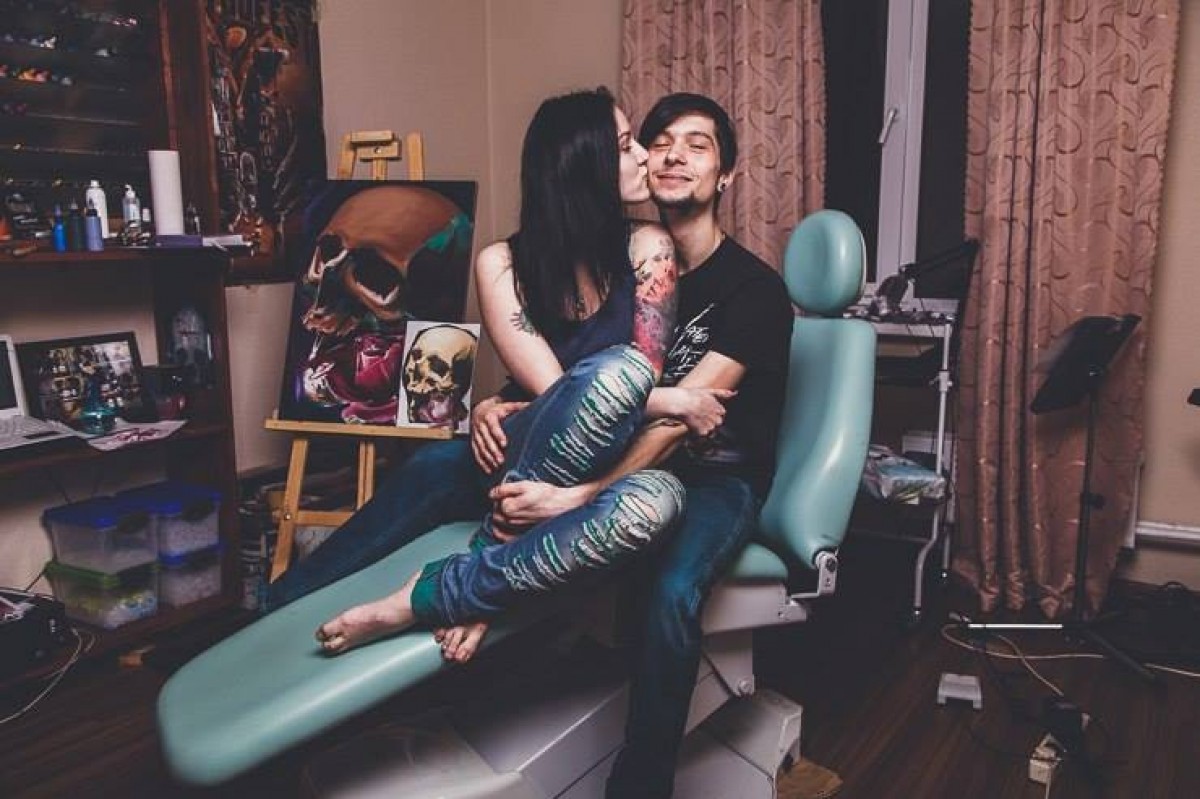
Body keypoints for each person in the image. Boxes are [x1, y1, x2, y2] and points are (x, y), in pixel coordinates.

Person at [271, 88, 727, 653]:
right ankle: (267, 615)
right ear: (581, 164)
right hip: (512, 454)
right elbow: (559, 394)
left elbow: (620, 391)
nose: (643, 156)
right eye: (624, 144)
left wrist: (510, 408)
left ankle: (469, 583)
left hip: (604, 461)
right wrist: (677, 401)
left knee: (649, 479)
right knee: (423, 480)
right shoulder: (502, 263)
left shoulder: (649, 247)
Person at [442, 93, 795, 798]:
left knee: (670, 592)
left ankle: (641, 784)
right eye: (658, 141)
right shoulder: (624, 260)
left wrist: (581, 495)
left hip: (711, 476)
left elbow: (674, 422)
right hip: (608, 460)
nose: (672, 155)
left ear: (727, 174)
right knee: (444, 472)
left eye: (697, 145)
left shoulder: (755, 291)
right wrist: (489, 404)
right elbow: (574, 380)